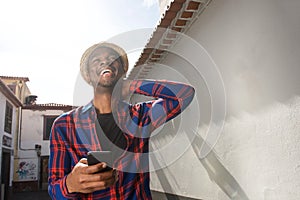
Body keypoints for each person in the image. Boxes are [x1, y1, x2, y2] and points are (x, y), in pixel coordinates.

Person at [48, 42, 195, 199]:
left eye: (112, 58)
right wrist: (70, 184)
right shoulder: (64, 125)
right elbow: (54, 189)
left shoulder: (142, 116)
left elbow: (184, 94)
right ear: (88, 76)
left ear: (122, 71)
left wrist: (132, 85)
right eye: (96, 60)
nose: (106, 62)